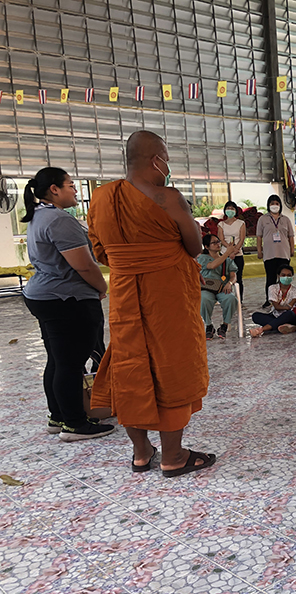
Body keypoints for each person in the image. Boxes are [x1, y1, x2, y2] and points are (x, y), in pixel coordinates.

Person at [87, 130, 214, 477]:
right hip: (168, 296)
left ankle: (142, 453)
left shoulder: (100, 199)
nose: (167, 166)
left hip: (126, 295)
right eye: (167, 160)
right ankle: (174, 456)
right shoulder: (167, 198)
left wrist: (132, 262)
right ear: (157, 159)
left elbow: (100, 251)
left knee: (131, 368)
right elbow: (195, 247)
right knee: (172, 367)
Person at [21, 168, 114, 442]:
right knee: (71, 363)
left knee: (59, 359)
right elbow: (84, 265)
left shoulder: (38, 216)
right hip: (66, 299)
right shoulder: (59, 220)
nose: (75, 190)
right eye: (71, 185)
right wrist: (101, 287)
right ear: (54, 189)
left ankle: (58, 415)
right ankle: (75, 423)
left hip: (44, 296)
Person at [198, 234, 239, 340]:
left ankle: (224, 325)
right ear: (206, 247)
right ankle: (209, 325)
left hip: (222, 288)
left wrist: (229, 283)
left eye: (218, 241)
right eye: (214, 242)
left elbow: (233, 276)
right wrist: (227, 253)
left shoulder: (228, 261)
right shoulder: (202, 258)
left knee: (231, 299)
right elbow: (212, 265)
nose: (217, 244)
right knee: (204, 299)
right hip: (207, 288)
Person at [256, 195, 294, 307]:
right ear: (268, 205)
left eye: (277, 203)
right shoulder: (263, 219)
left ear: (280, 205)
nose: (274, 206)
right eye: (272, 203)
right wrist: (259, 251)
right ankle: (270, 300)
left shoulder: (286, 219)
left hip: (284, 253)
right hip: (269, 254)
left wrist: (292, 249)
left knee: (284, 278)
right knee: (270, 278)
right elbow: (259, 236)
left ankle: (285, 298)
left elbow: (291, 236)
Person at [250, 264, 296, 336]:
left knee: (289, 314)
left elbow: (289, 308)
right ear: (278, 276)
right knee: (255, 316)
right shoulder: (272, 288)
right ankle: (286, 327)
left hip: (289, 316)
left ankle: (262, 329)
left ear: (292, 277)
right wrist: (285, 307)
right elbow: (277, 307)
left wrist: (285, 307)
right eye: (283, 275)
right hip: (275, 315)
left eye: (289, 275)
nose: (286, 277)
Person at [217, 200, 246, 299]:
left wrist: (235, 250)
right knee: (224, 277)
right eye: (228, 208)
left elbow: (242, 238)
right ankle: (225, 298)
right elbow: (221, 239)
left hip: (238, 254)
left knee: (239, 278)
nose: (230, 210)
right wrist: (229, 251)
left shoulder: (241, 223)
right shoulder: (221, 224)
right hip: (224, 254)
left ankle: (239, 299)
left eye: (232, 209)